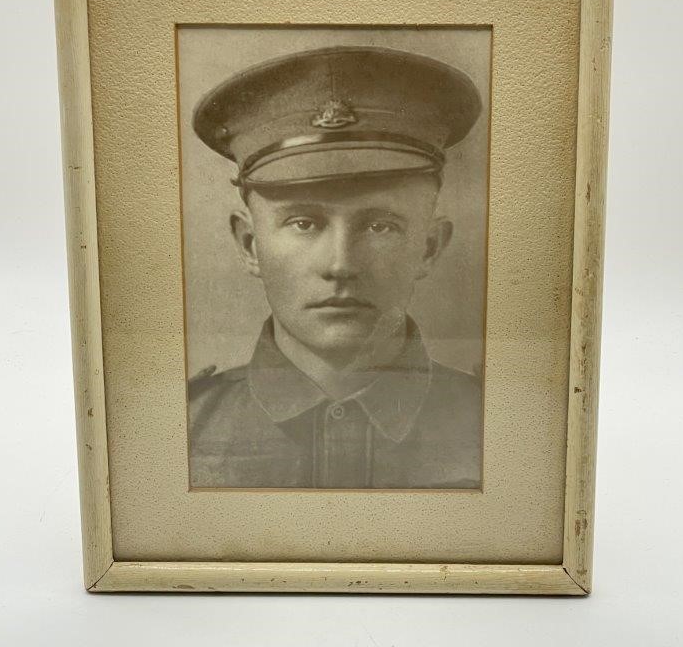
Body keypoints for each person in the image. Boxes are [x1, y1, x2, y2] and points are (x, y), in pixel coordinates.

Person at [188, 45, 483, 489]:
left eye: (380, 226)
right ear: (250, 245)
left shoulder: (499, 429)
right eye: (304, 223)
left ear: (428, 248)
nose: (341, 265)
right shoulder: (183, 430)